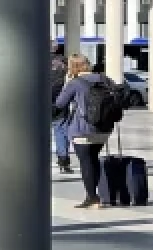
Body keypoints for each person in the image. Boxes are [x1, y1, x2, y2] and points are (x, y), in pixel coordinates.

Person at [53, 53, 116, 209]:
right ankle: (99, 196)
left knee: (86, 163)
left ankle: (92, 198)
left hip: (82, 129)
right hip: (104, 129)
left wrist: (67, 84)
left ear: (73, 67)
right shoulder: (104, 79)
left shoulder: (75, 83)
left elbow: (60, 103)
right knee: (94, 159)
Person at [50, 48, 73, 175]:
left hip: (39, 102)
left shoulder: (35, 58)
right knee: (61, 131)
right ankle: (63, 161)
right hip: (60, 101)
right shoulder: (63, 61)